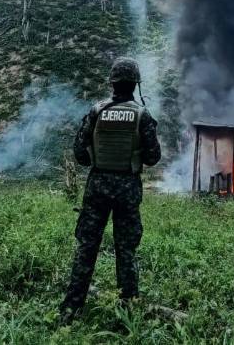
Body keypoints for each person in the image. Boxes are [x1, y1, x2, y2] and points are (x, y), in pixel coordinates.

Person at [59, 57, 161, 325]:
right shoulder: (142, 115)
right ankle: (127, 313)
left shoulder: (96, 111)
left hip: (97, 190)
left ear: (113, 83)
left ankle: (70, 310)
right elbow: (153, 158)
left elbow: (80, 154)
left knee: (87, 247)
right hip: (127, 190)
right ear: (135, 84)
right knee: (125, 250)